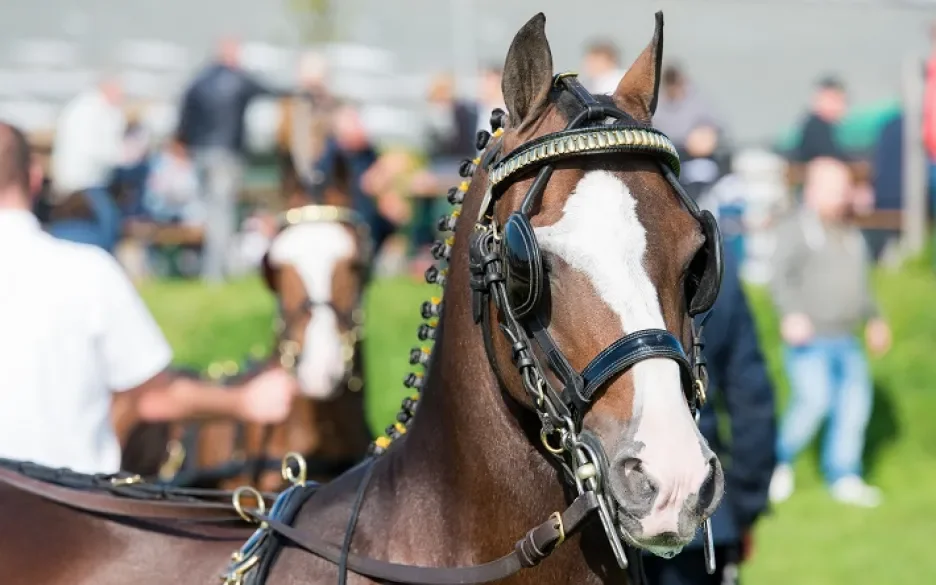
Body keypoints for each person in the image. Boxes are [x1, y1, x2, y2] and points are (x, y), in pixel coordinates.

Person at [0, 121, 297, 475]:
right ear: (34, 178)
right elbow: (155, 398)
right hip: (63, 511)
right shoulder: (89, 271)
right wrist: (247, 400)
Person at [642, 247, 777, 585]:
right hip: (699, 511)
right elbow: (752, 401)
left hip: (598, 517)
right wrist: (742, 506)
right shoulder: (718, 274)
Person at [768, 157, 892, 508]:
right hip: (811, 340)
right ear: (813, 190)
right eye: (833, 189)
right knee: (813, 401)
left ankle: (843, 473)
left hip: (847, 339)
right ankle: (777, 461)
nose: (841, 195)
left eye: (844, 188)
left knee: (854, 407)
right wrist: (791, 314)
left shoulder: (850, 232)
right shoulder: (798, 228)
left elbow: (863, 285)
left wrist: (875, 319)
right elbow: (780, 277)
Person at [175, 36, 299, 283]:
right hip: (226, 154)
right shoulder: (238, 79)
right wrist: (299, 92)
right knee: (221, 213)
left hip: (201, 153)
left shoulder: (199, 80)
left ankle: (208, 267)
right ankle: (214, 274)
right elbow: (270, 89)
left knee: (207, 211)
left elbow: (184, 118)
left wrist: (186, 145)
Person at [46, 75, 129, 253]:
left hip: (81, 183)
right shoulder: (91, 110)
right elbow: (99, 150)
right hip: (83, 184)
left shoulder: (89, 108)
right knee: (107, 222)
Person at [653, 63, 723, 151]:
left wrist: (705, 136)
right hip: (665, 152)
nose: (673, 87)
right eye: (669, 81)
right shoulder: (656, 102)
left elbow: (716, 126)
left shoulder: (697, 101)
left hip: (693, 154)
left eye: (674, 81)